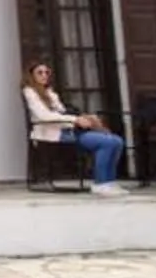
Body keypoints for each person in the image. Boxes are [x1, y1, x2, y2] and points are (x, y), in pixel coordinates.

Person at [22, 63, 127, 194]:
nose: (44, 75)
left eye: (47, 72)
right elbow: (43, 116)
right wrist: (75, 119)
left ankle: (109, 182)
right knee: (107, 143)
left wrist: (84, 118)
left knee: (117, 141)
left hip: (69, 129)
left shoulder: (50, 93)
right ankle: (100, 183)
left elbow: (63, 112)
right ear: (31, 75)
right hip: (52, 132)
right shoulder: (29, 91)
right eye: (40, 72)